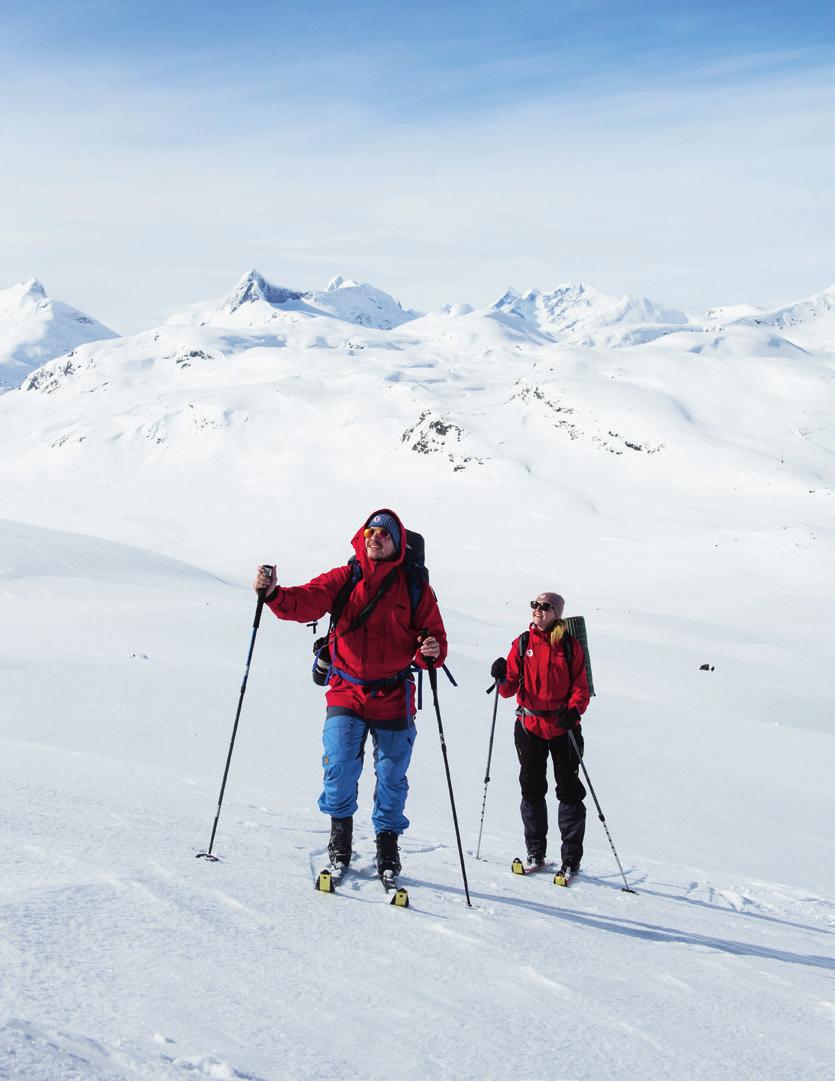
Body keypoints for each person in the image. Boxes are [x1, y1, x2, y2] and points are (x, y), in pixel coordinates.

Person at [253, 509, 447, 878]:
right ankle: (340, 838)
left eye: (385, 535)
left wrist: (432, 652)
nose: (376, 538)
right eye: (371, 531)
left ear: (398, 543)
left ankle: (387, 845)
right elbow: (307, 599)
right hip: (347, 690)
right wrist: (275, 594)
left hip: (394, 694)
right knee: (340, 767)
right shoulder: (346, 576)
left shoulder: (416, 586)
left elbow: (435, 638)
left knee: (392, 776)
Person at [490, 592, 590, 874]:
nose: (538, 610)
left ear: (556, 613)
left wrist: (574, 710)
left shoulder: (570, 646)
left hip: (563, 727)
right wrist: (500, 674)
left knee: (569, 790)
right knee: (532, 788)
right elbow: (508, 689)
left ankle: (571, 857)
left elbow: (580, 686)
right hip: (529, 726)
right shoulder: (522, 642)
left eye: (545, 607)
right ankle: (535, 851)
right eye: (535, 605)